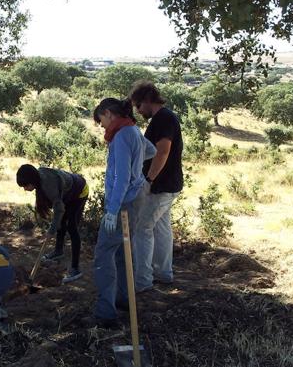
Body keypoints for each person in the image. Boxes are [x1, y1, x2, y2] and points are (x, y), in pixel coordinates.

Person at [92, 98, 156, 328]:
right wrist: (136, 165)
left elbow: (121, 179)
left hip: (122, 203)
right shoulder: (133, 129)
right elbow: (152, 150)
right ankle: (124, 299)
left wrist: (111, 210)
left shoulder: (120, 137)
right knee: (121, 250)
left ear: (108, 114)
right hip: (136, 198)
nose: (102, 127)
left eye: (102, 121)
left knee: (103, 254)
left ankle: (105, 312)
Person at [129, 81, 184, 291]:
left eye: (138, 105)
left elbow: (162, 151)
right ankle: (164, 273)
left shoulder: (163, 118)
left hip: (160, 186)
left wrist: (149, 180)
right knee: (161, 228)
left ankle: (142, 282)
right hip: (169, 184)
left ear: (147, 100)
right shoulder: (164, 118)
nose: (138, 110)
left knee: (143, 229)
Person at [16, 164, 89, 283]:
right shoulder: (40, 180)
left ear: (32, 180)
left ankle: (75, 268)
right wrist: (55, 226)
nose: (25, 189)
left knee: (72, 227)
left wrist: (51, 230)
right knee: (60, 221)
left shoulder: (47, 185)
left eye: (25, 185)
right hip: (68, 194)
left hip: (79, 191)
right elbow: (58, 209)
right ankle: (58, 251)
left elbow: (59, 209)